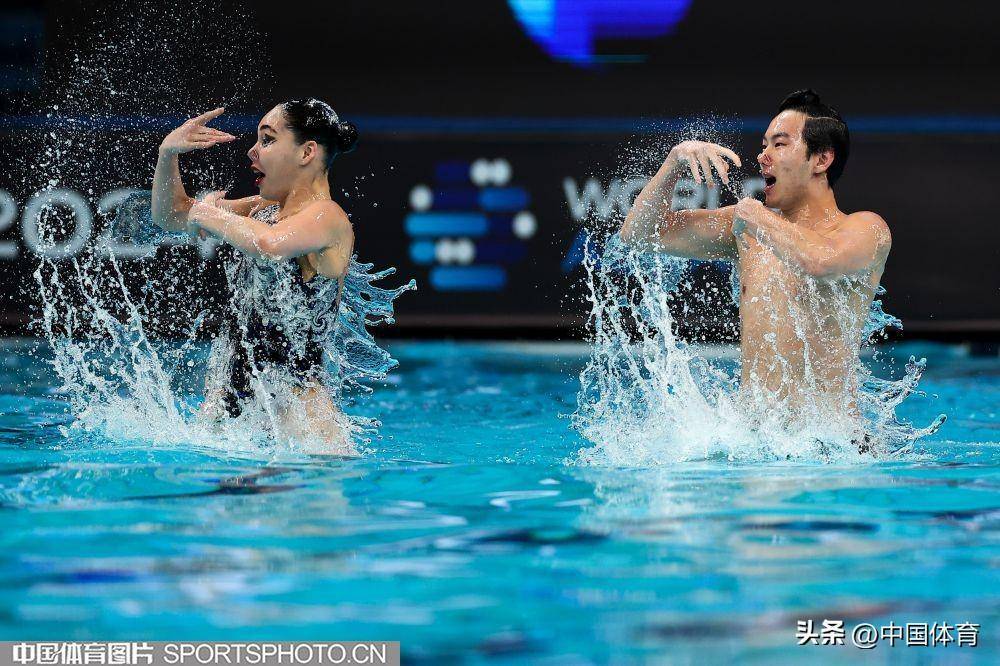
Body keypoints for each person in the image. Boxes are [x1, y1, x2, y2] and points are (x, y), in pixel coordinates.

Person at [620, 89, 891, 442]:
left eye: (779, 144)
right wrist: (674, 164)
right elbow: (639, 234)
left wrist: (755, 216)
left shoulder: (865, 229)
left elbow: (819, 261)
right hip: (757, 445)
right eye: (764, 145)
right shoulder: (749, 228)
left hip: (833, 448)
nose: (763, 156)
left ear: (821, 159)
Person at [150, 99, 363, 452]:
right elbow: (171, 216)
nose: (252, 151)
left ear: (307, 152)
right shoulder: (263, 209)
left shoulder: (328, 217)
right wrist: (167, 153)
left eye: (267, 140)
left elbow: (269, 244)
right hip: (235, 405)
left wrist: (206, 212)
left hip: (298, 421)